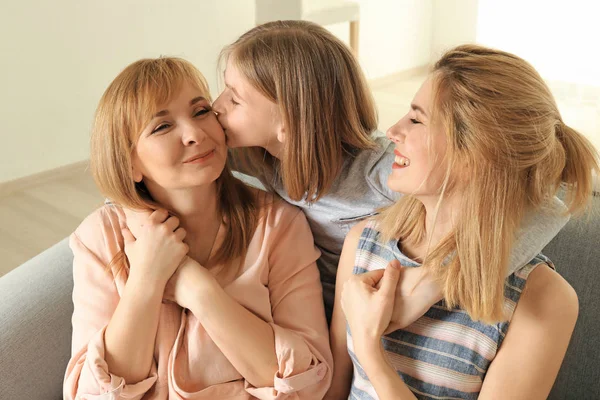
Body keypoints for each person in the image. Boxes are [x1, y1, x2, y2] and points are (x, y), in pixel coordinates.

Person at [212, 20, 570, 323]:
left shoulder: (381, 171)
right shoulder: (259, 158)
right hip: (311, 314)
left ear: (288, 122)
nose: (216, 107)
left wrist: (435, 282)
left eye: (233, 97)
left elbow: (551, 207)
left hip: (374, 315)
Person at [327, 44, 600, 399]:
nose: (392, 131)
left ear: (475, 152)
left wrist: (370, 352)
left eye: (416, 119)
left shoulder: (544, 301)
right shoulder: (363, 244)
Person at [63, 57, 332, 399]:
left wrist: (200, 292)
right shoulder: (100, 238)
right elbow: (90, 394)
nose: (195, 134)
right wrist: (146, 277)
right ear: (129, 163)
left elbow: (312, 385)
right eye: (162, 127)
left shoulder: (279, 225)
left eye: (201, 111)